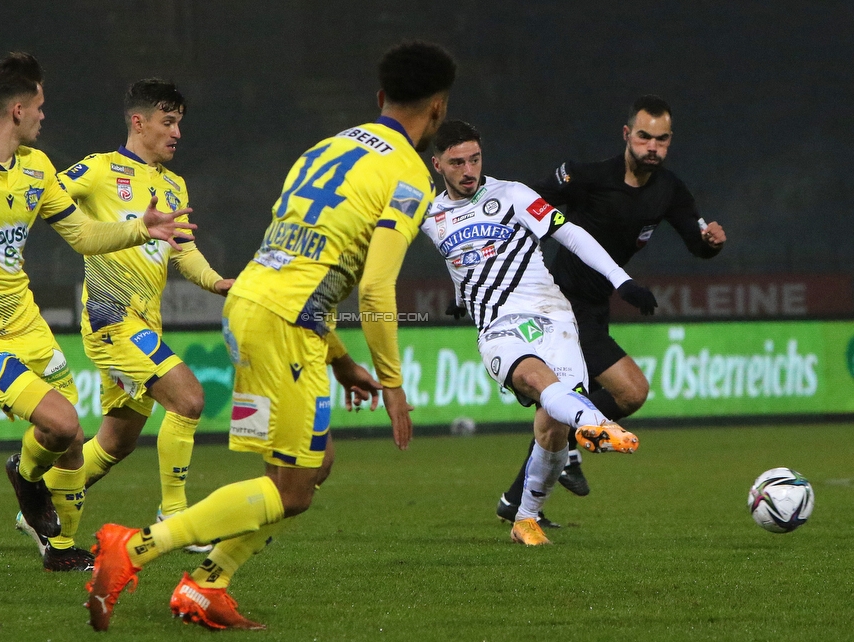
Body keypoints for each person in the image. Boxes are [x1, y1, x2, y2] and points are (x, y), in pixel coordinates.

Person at [83, 40, 456, 632]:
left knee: (307, 468)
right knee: (295, 490)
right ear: (437, 109)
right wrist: (392, 382)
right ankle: (132, 550)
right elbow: (377, 289)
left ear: (381, 97)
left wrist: (337, 358)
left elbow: (300, 255)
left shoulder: (327, 147)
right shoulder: (410, 176)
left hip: (251, 308)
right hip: (285, 325)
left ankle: (207, 585)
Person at [0, 52, 192, 571]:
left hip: (29, 326)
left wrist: (142, 227)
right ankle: (24, 477)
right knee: (65, 424)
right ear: (18, 110)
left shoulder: (38, 169)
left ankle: (62, 550)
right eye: (41, 106)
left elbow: (85, 236)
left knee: (67, 442)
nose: (47, 115)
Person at [14, 79, 233, 558]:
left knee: (115, 443)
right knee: (190, 399)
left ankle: (39, 501)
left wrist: (218, 283)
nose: (177, 133)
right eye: (168, 122)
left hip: (145, 322)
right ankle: (174, 514)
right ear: (139, 122)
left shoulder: (173, 185)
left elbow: (185, 253)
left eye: (179, 123)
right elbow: (43, 200)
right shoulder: (97, 170)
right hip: (111, 317)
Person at [496, 95, 727, 523]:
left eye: (661, 139)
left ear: (669, 141)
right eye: (644, 137)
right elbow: (523, 208)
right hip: (559, 305)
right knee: (629, 390)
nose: (651, 147)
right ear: (627, 135)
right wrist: (485, 274)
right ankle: (556, 456)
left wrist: (710, 243)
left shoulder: (669, 191)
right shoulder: (587, 177)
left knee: (568, 407)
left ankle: (520, 498)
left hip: (596, 307)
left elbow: (697, 243)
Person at [425, 119, 654, 545]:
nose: (468, 169)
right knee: (534, 379)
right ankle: (596, 423)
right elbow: (456, 256)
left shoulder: (513, 195)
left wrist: (621, 280)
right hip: (498, 326)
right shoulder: (427, 214)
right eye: (457, 162)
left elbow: (572, 235)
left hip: (553, 315)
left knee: (552, 429)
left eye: (475, 158)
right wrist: (463, 295)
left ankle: (525, 518)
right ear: (438, 164)